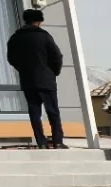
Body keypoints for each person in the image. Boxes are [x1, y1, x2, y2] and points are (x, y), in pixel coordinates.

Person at [6, 8, 66, 148]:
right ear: (39, 21)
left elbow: (11, 59)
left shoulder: (15, 38)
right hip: (46, 80)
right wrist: (54, 72)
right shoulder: (45, 36)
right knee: (53, 111)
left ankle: (41, 142)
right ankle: (57, 141)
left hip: (28, 80)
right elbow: (57, 56)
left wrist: (23, 69)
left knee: (34, 112)